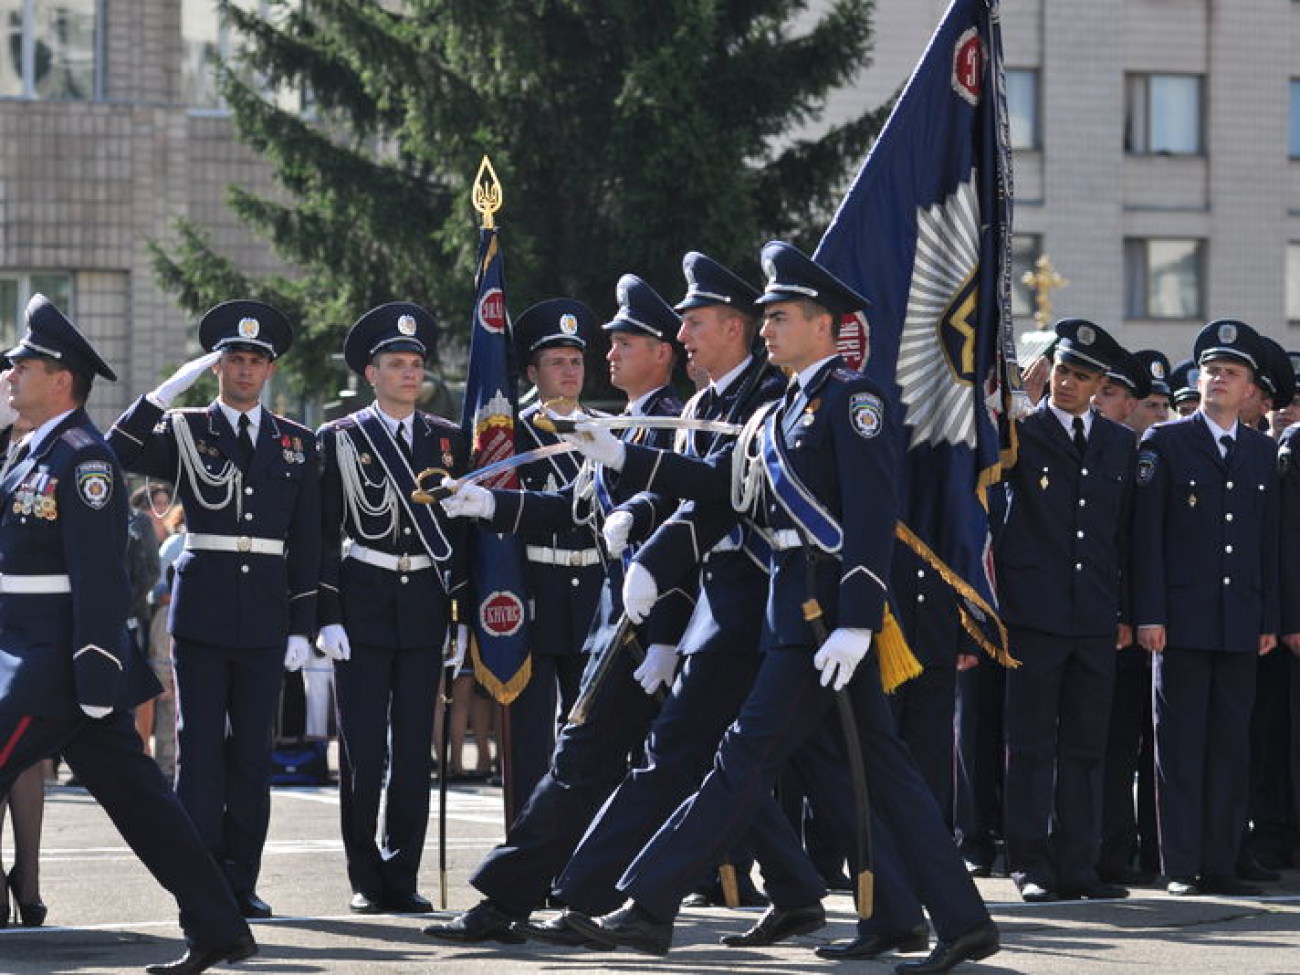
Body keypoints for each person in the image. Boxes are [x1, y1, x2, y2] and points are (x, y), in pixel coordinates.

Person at [565, 242, 999, 974]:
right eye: (763, 316)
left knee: (739, 761)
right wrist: (624, 459)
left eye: (781, 316)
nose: (765, 328)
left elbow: (870, 515)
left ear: (825, 326)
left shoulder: (856, 400)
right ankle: (932, 917)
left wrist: (859, 618)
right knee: (880, 771)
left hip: (823, 623)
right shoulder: (779, 410)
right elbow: (724, 488)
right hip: (792, 616)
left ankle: (647, 906)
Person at [525, 251, 828, 949]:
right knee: (703, 754)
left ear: (733, 327)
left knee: (771, 761)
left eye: (693, 323)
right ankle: (798, 892)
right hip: (720, 606)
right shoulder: (702, 403)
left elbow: (722, 487)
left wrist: (655, 552)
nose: (683, 335)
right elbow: (686, 486)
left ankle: (612, 897)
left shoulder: (765, 397)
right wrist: (642, 512)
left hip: (768, 598)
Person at [424, 273, 685, 944]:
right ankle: (535, 898)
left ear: (660, 352)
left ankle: (811, 886)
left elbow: (691, 519)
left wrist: (667, 634)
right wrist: (491, 503)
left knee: (728, 766)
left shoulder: (672, 421)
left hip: (664, 631)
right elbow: (573, 508)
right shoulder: (624, 424)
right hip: (623, 629)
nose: (604, 356)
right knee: (602, 765)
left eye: (621, 342)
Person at [0, 294, 253, 973]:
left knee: (139, 798)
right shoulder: (30, 452)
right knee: (145, 805)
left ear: (61, 380)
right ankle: (219, 924)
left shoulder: (82, 459)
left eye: (23, 366)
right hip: (33, 659)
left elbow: (101, 580)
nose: (9, 375)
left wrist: (93, 672)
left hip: (56, 666)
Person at [108, 300, 321, 918]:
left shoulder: (296, 443)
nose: (245, 371)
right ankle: (197, 886)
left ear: (270, 369)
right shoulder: (182, 427)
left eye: (256, 361)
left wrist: (305, 625)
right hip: (201, 610)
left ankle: (241, 879)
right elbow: (114, 454)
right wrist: (158, 395)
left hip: (265, 614)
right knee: (199, 753)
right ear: (217, 366)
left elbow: (308, 540)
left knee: (253, 756)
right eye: (234, 360)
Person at [315, 302, 468, 914]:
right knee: (362, 750)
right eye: (395, 364)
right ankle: (364, 876)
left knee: (412, 750)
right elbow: (323, 532)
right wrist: (325, 613)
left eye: (415, 364)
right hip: (361, 603)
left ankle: (402, 875)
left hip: (425, 607)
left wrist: (461, 612)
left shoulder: (450, 441)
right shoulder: (341, 438)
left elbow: (463, 536)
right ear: (370, 374)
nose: (408, 374)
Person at [1133, 318, 1280, 896]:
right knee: (1180, 745)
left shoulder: (1262, 453)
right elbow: (1147, 538)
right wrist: (1149, 613)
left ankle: (1221, 861)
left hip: (1241, 621)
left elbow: (1268, 542)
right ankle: (1182, 865)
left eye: (1232, 372)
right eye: (1211, 369)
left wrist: (1270, 618)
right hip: (1180, 621)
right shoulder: (1165, 443)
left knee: (1230, 744)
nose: (1218, 378)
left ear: (1250, 390)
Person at [995, 319, 1137, 903]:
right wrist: (1012, 409)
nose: (1068, 384)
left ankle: (1078, 866)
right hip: (1033, 613)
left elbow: (1125, 537)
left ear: (1100, 383)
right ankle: (1029, 864)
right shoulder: (1021, 433)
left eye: (1082, 376)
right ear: (1047, 370)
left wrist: (1128, 610)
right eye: (1062, 371)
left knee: (1085, 746)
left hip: (1094, 616)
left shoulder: (1118, 443)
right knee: (1030, 746)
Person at [501, 297, 605, 808]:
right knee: (530, 739)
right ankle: (526, 851)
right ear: (532, 371)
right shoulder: (512, 435)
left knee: (590, 735)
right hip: (534, 598)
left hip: (594, 599)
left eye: (576, 360)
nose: (569, 371)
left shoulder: (608, 430)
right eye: (556, 362)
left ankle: (582, 855)